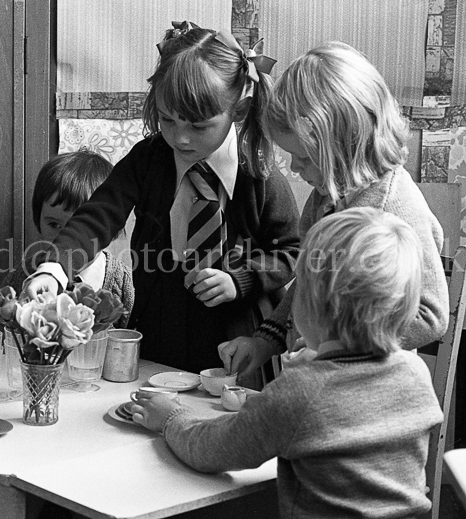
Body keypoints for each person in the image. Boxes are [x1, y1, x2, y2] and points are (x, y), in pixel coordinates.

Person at [24, 21, 301, 375]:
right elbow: (97, 217)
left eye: (199, 126)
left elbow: (291, 251)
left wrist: (240, 279)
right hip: (160, 333)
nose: (181, 139)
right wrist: (55, 268)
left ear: (239, 112)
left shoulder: (258, 174)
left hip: (236, 344)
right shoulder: (148, 160)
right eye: (168, 121)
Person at [130, 207, 443, 518]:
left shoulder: (301, 390)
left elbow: (211, 450)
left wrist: (170, 417)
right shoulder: (414, 372)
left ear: (312, 303)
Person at [219, 41, 448, 380]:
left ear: (345, 142)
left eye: (304, 157)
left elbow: (431, 316)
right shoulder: (324, 198)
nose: (295, 168)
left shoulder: (394, 208)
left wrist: (338, 344)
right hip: (323, 381)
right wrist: (265, 341)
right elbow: (307, 285)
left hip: (369, 394)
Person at [1, 150, 134, 326]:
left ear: (106, 228)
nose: (64, 238)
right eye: (54, 225)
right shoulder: (22, 276)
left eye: (80, 229)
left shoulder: (123, 283)